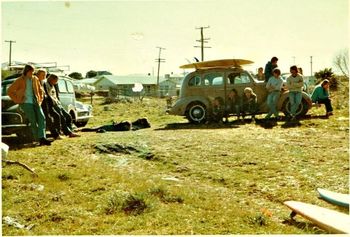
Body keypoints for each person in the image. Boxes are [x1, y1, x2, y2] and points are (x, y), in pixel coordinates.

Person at [7, 64, 52, 145]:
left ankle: (42, 137)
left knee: (42, 118)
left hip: (36, 102)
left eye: (33, 72)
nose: (32, 74)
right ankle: (38, 139)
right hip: (26, 103)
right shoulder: (20, 80)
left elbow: (41, 90)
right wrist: (18, 100)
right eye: (31, 72)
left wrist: (40, 100)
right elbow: (9, 91)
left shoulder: (35, 79)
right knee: (33, 121)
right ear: (26, 71)